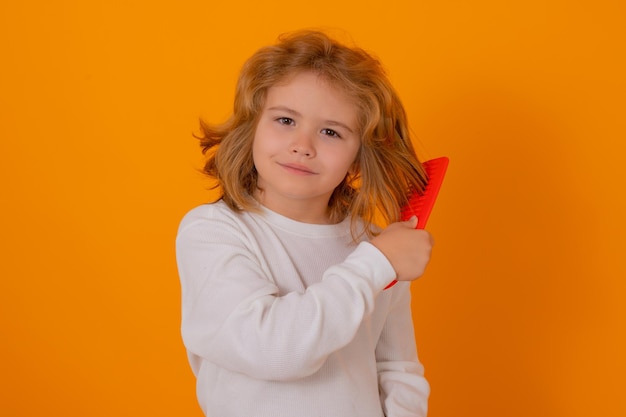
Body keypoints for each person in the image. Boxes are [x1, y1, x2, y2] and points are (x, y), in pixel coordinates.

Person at [176, 30, 434, 417]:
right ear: (252, 128)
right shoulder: (212, 232)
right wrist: (375, 266)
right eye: (285, 120)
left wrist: (379, 260)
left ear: (360, 155)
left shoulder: (376, 246)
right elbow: (271, 350)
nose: (303, 145)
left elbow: (396, 368)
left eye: (331, 131)